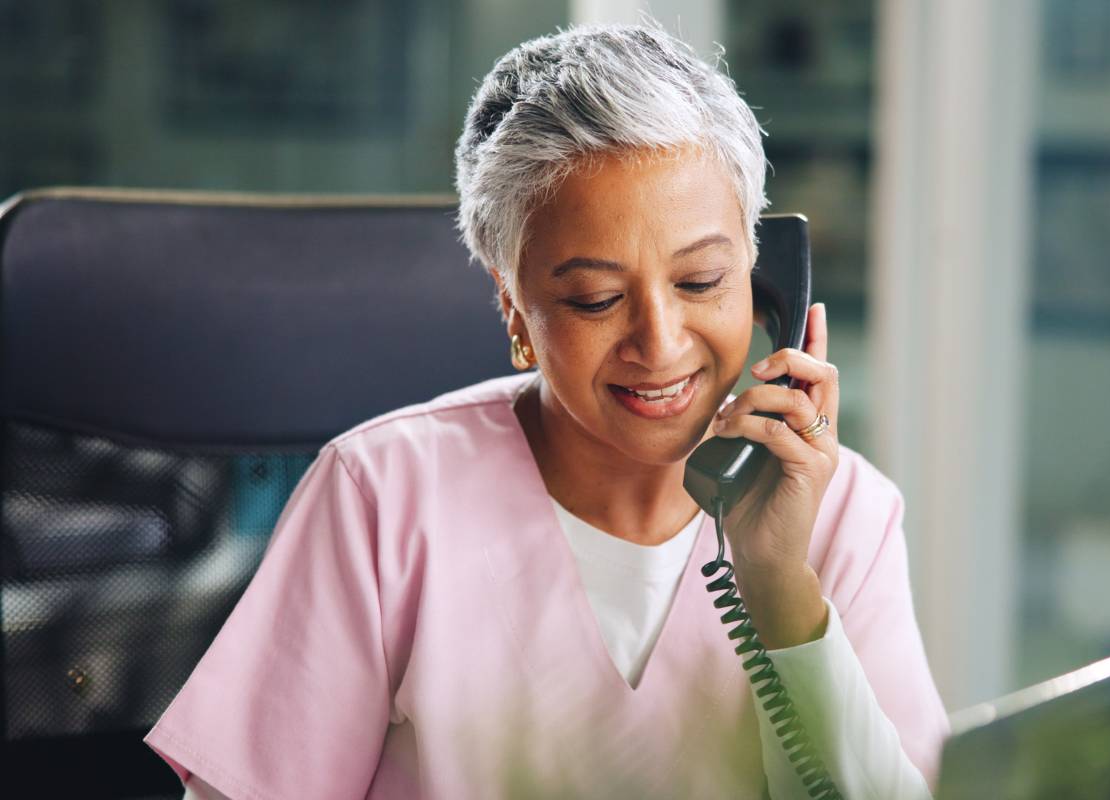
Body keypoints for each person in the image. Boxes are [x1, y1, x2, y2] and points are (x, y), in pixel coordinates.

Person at [146, 22, 949, 799]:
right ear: (513, 306)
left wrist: (778, 587)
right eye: (596, 299)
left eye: (702, 282)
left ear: (763, 276)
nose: (661, 344)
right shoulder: (380, 498)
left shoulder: (846, 511)